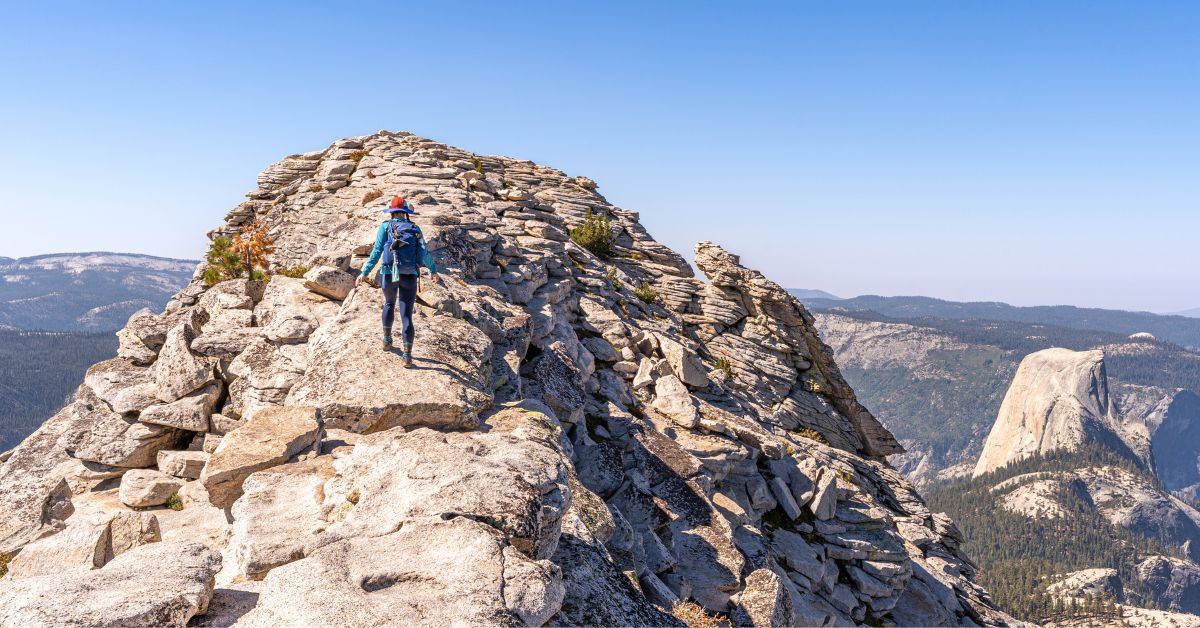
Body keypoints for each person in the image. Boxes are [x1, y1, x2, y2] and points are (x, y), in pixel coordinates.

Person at [356, 196, 442, 366]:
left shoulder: (386, 226)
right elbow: (424, 253)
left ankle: (387, 340)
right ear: (405, 212)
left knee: (389, 303)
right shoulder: (415, 228)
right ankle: (407, 355)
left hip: (389, 273)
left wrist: (364, 272)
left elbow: (377, 252)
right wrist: (433, 270)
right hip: (410, 274)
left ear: (391, 212)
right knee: (407, 314)